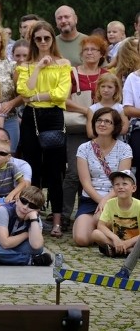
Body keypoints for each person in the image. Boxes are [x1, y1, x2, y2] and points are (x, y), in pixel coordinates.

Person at [16, 21, 72, 237]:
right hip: (32, 118)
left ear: (52, 39)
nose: (42, 42)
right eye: (37, 39)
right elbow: (23, 90)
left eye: (46, 38)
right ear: (33, 41)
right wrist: (38, 67)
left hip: (53, 116)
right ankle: (34, 216)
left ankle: (57, 220)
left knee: (55, 170)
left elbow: (61, 94)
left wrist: (36, 97)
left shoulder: (63, 63)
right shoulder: (26, 65)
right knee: (33, 168)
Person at [64, 35, 110, 226]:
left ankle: (99, 211)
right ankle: (64, 215)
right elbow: (64, 100)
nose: (89, 53)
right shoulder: (72, 73)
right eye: (86, 50)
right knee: (74, 173)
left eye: (94, 50)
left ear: (101, 54)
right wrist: (88, 111)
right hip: (77, 128)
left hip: (103, 131)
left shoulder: (107, 74)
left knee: (101, 173)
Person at [72, 108, 132, 247]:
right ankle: (103, 235)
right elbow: (85, 182)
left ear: (115, 126)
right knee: (81, 239)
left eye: (107, 121)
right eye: (99, 120)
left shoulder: (125, 149)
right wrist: (100, 201)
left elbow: (122, 181)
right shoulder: (84, 148)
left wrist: (105, 201)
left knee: (99, 220)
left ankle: (107, 237)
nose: (102, 124)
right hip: (90, 198)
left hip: (116, 198)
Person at [0, 186, 53, 266]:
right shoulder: (4, 210)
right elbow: (5, 243)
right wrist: (27, 234)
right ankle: (29, 260)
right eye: (24, 201)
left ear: (37, 210)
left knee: (38, 249)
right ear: (17, 200)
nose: (25, 207)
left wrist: (33, 218)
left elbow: (37, 245)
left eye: (32, 206)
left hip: (10, 247)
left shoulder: (34, 218)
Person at [94, 170, 140, 260]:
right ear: (113, 188)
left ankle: (119, 250)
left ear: (133, 188)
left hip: (135, 241)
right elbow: (100, 225)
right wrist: (115, 238)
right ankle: (129, 251)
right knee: (96, 233)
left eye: (124, 184)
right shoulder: (110, 203)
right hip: (117, 241)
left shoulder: (138, 205)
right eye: (117, 184)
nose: (120, 187)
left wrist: (128, 243)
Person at [86, 73, 128, 139]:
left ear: (116, 89)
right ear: (98, 88)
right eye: (103, 86)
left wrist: (105, 132)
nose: (106, 90)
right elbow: (90, 133)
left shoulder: (121, 108)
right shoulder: (92, 109)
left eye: (110, 87)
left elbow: (124, 129)